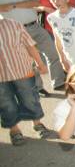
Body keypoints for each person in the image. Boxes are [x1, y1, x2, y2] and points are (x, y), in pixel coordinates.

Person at [0, 0, 66, 93]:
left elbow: (35, 2)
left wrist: (12, 5)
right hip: (14, 31)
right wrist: (21, 4)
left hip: (34, 26)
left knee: (53, 53)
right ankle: (39, 87)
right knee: (28, 60)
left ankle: (58, 82)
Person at [0, 16, 54, 146]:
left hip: (22, 70)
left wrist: (40, 63)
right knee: (6, 104)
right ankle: (14, 130)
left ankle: (37, 124)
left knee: (30, 98)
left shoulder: (14, 24)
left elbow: (30, 45)